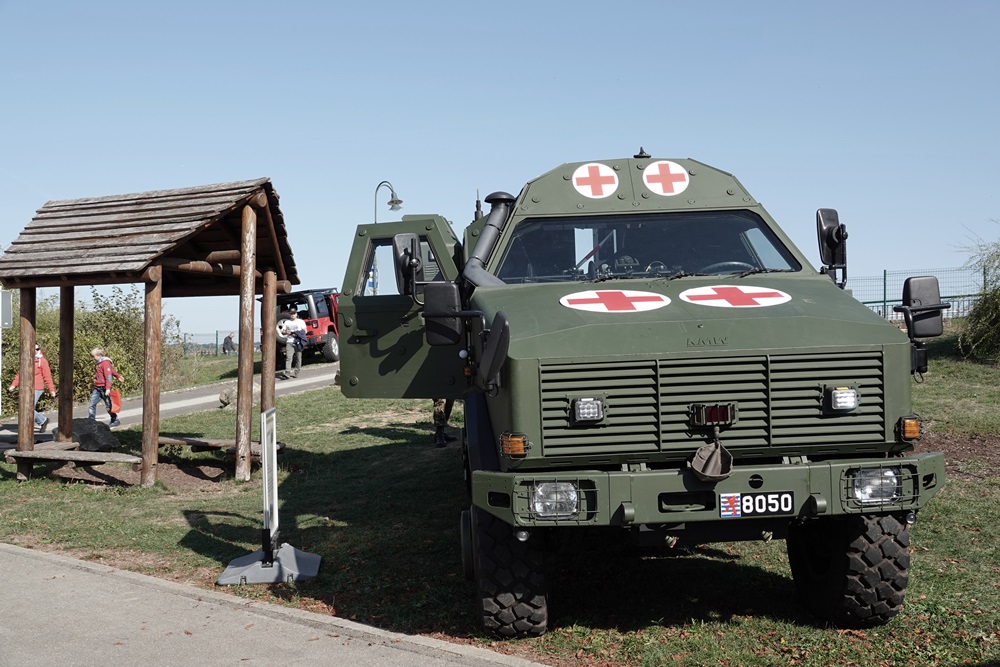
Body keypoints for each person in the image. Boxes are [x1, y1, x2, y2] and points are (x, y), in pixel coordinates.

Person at [8, 343, 57, 433]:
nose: (36, 351)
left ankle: (34, 425)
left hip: (37, 388)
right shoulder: (26, 360)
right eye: (34, 349)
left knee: (28, 408)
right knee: (25, 407)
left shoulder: (42, 361)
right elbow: (20, 374)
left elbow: (48, 377)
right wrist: (13, 385)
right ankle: (43, 420)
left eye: (37, 349)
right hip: (26, 388)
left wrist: (52, 390)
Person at [89, 347, 124, 427]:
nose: (93, 358)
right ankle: (91, 421)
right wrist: (117, 376)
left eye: (94, 356)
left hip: (104, 388)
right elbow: (111, 370)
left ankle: (115, 420)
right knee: (91, 404)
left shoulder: (105, 363)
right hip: (97, 388)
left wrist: (108, 388)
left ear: (99, 355)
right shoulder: (99, 363)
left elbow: (108, 376)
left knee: (109, 406)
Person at [279, 311, 307, 378]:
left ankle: (297, 372)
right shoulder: (287, 322)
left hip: (298, 341)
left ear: (296, 314)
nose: (293, 315)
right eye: (291, 313)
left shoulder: (300, 322)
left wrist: (297, 333)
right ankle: (287, 372)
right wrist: (287, 332)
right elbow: (283, 332)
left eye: (294, 313)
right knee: (288, 357)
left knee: (298, 358)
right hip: (289, 341)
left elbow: (305, 331)